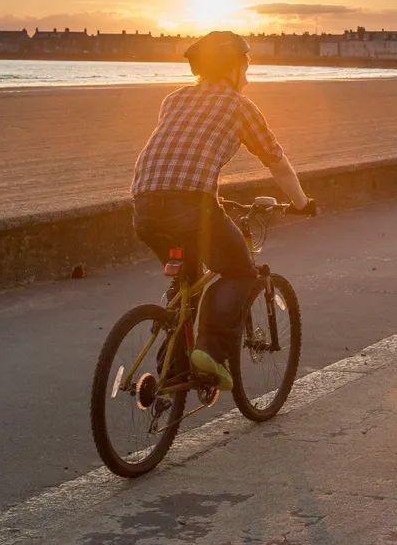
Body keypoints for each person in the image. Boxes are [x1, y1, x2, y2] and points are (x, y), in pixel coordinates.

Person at [131, 31, 315, 390]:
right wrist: (302, 203)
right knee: (240, 272)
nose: (247, 74)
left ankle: (172, 374)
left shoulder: (174, 99)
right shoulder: (239, 107)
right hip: (190, 207)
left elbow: (182, 148)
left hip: (144, 207)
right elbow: (276, 162)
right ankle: (211, 354)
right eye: (246, 65)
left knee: (186, 285)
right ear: (232, 67)